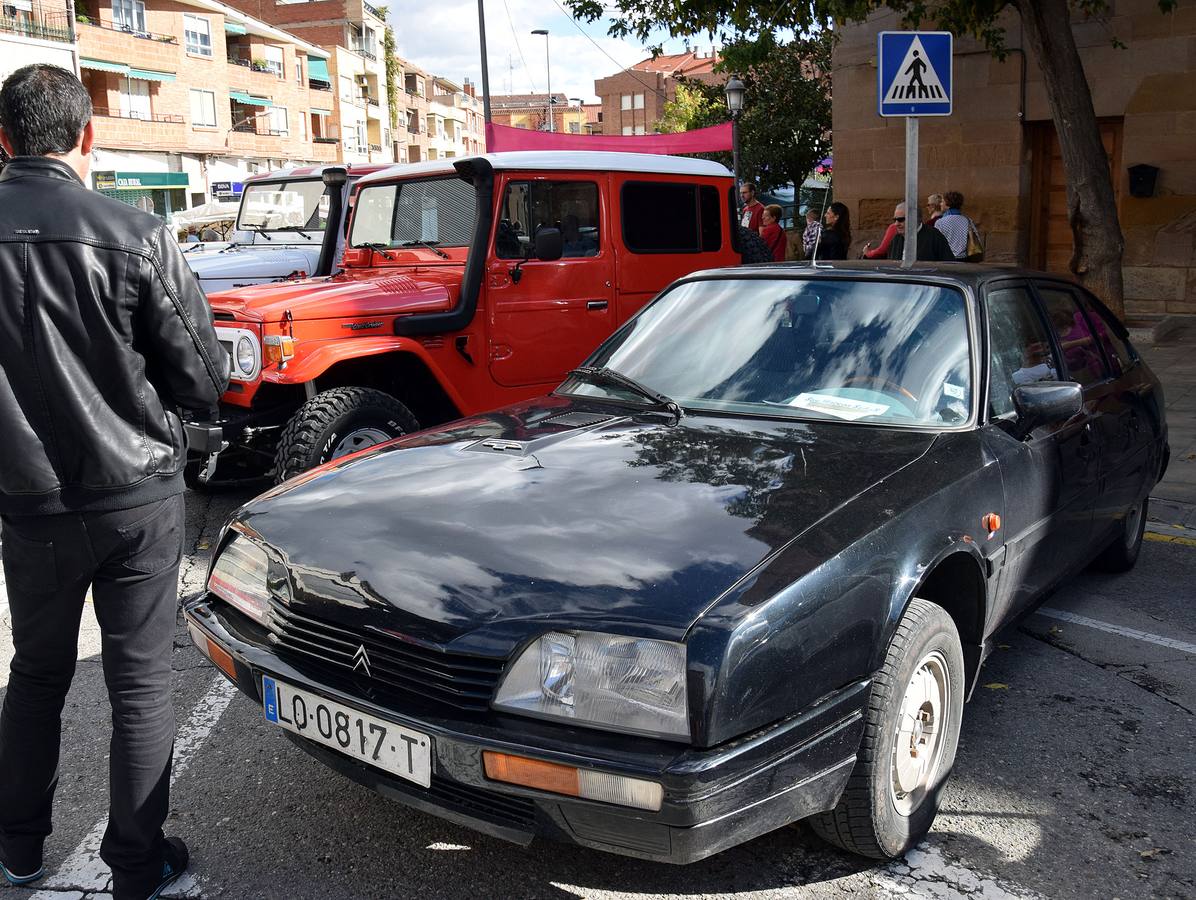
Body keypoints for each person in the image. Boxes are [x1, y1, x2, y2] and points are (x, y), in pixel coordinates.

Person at [0, 65, 229, 899]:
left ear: (3, 140)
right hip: (136, 493)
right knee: (138, 683)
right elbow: (203, 373)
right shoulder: (136, 233)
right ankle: (136, 865)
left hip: (28, 508)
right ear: (86, 138)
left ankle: (18, 849)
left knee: (36, 673)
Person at [886, 201, 955, 262]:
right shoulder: (896, 239)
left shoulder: (934, 237)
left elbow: (948, 265)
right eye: (894, 220)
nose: (896, 224)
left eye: (900, 219)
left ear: (914, 218)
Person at [934, 191, 976, 261]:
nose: (940, 204)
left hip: (946, 259)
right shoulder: (968, 220)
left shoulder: (940, 222)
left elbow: (936, 244)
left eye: (942, 201)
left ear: (948, 204)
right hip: (964, 259)